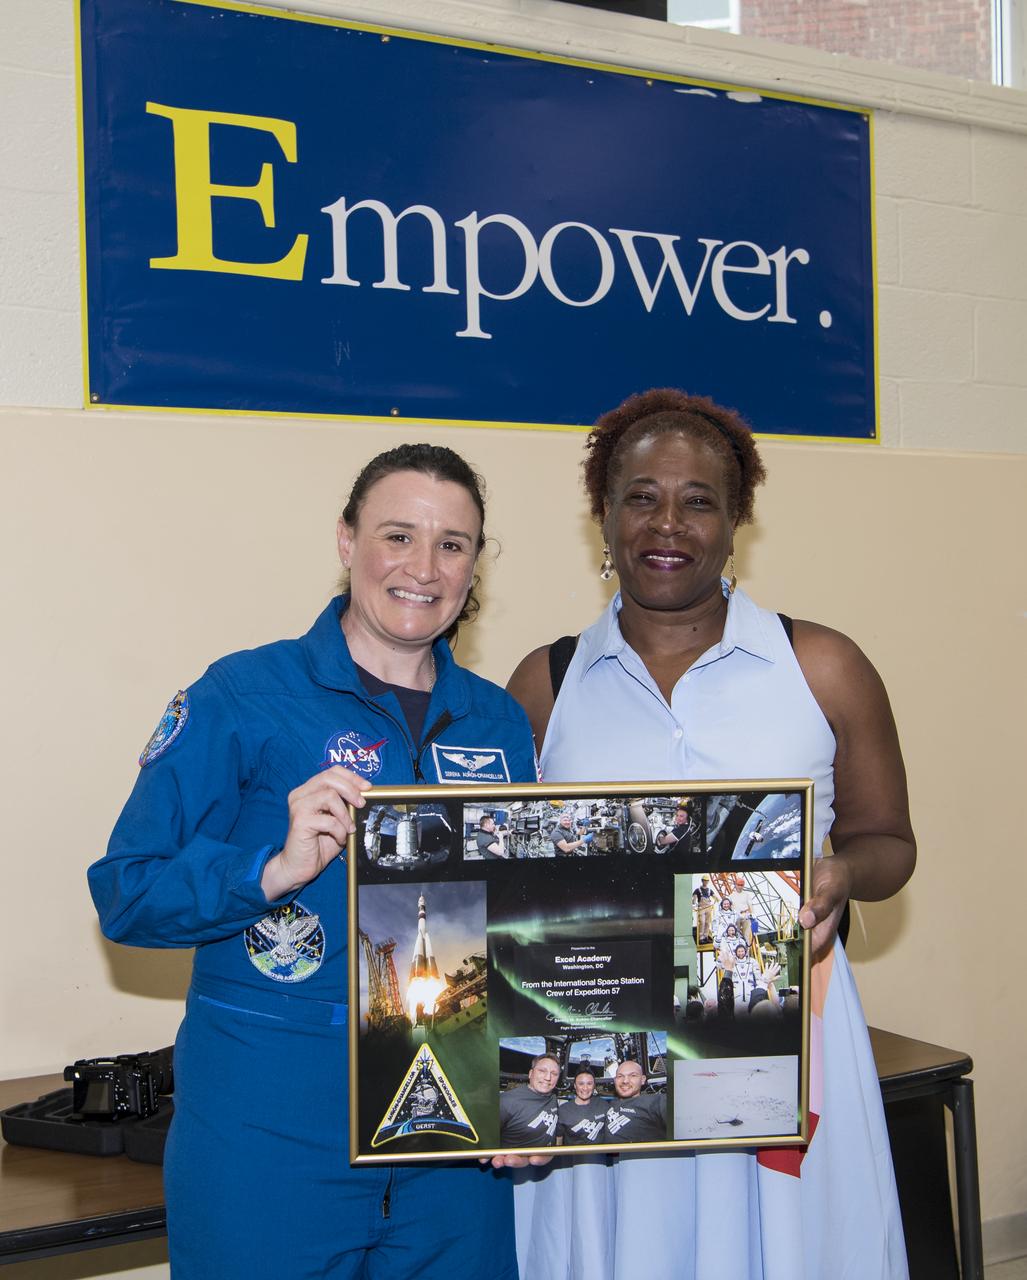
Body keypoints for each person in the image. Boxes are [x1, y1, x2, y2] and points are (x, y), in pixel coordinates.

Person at [88, 443, 537, 1280]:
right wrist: (269, 870)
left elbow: (526, 925)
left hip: (452, 1149)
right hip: (272, 1140)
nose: (423, 568)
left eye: (451, 544)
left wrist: (529, 1089)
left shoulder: (497, 722)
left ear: (475, 563)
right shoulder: (242, 696)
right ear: (345, 540)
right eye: (397, 536)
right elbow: (127, 893)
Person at [504, 389, 916, 1278]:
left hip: (781, 1028)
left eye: (698, 501)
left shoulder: (821, 665)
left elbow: (888, 841)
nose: (668, 524)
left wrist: (840, 875)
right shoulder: (547, 682)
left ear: (736, 523)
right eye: (640, 497)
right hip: (601, 1040)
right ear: (602, 515)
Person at [500, 1055, 562, 1147]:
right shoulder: (505, 1101)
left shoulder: (553, 1098)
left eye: (554, 1074)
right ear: (530, 1073)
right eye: (542, 1071)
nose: (548, 1078)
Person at [602, 1061, 667, 1145]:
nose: (625, 1081)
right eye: (620, 1076)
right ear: (615, 1080)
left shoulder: (657, 1101)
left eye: (633, 1075)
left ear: (642, 1080)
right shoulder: (609, 1103)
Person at [558, 1068, 607, 1146]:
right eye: (581, 1084)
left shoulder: (603, 1105)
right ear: (575, 1086)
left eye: (589, 1083)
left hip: (600, 1153)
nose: (585, 1088)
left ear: (594, 1086)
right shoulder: (563, 1110)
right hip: (574, 1153)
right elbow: (559, 1139)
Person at [692, 873, 716, 942]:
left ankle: (705, 936)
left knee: (707, 922)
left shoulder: (709, 890)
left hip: (708, 908)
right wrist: (694, 903)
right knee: (702, 922)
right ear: (702, 881)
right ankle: (701, 937)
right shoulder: (697, 890)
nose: (706, 882)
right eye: (704, 880)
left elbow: (715, 897)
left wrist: (717, 901)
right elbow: (694, 899)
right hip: (701, 908)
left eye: (707, 881)